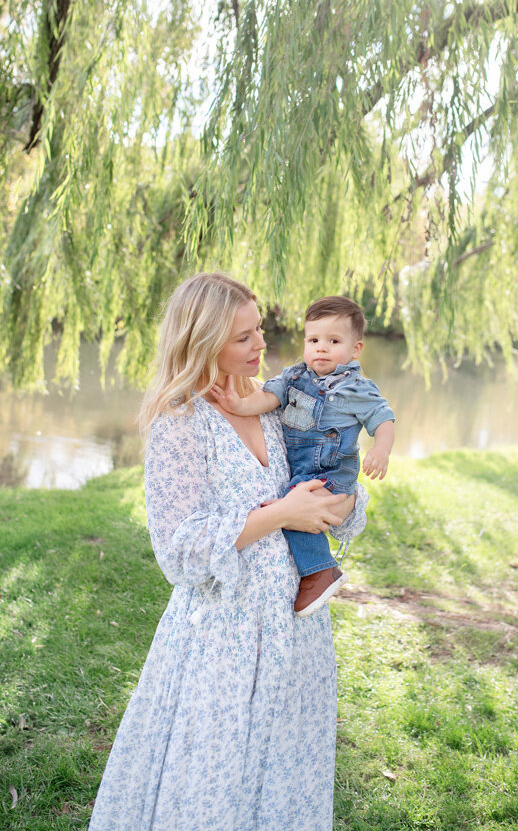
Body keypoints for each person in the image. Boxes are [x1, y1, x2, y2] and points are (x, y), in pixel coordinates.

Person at [87, 273, 369, 831]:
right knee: (212, 782)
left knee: (283, 772)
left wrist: (339, 499)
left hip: (295, 630)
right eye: (243, 337)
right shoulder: (180, 419)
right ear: (203, 341)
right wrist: (282, 515)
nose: (261, 344)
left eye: (259, 329)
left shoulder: (272, 403)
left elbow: (324, 478)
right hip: (223, 638)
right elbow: (180, 550)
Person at [210, 296, 395, 617]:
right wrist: (238, 406)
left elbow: (383, 418)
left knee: (301, 511)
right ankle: (308, 554)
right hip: (301, 472)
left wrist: (381, 448)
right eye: (313, 340)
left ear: (355, 349)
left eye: (333, 341)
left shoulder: (357, 388)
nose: (321, 348)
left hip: (331, 473)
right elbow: (268, 398)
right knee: (293, 505)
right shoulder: (295, 378)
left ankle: (320, 571)